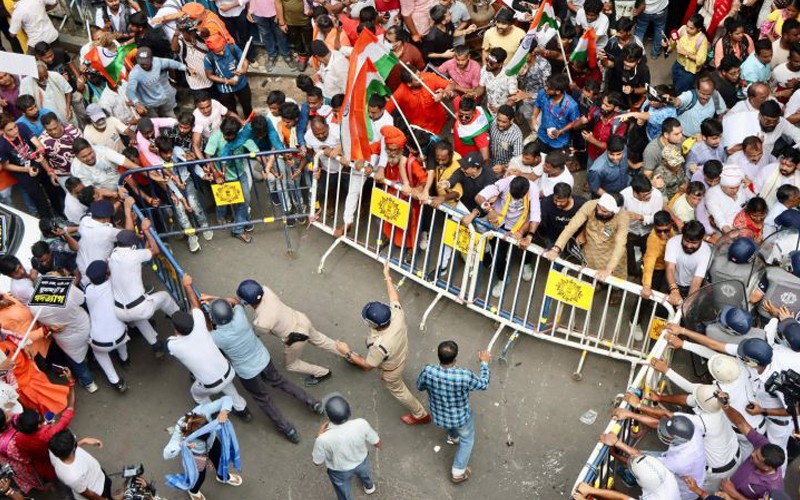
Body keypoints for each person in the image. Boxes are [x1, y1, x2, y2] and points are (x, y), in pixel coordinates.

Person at [205, 296, 323, 444]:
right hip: (263, 359)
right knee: (281, 382)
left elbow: (204, 328)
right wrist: (213, 298)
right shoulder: (240, 316)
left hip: (247, 373)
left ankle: (288, 430)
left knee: (264, 400)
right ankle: (313, 403)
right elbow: (234, 300)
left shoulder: (216, 337)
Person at [335, 262, 432, 425]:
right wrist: (387, 276)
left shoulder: (379, 346)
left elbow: (368, 366)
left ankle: (420, 414)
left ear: (374, 325)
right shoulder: (396, 315)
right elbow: (394, 298)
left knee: (399, 390)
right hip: (401, 352)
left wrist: (347, 352)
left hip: (391, 369)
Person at [168, 274, 252, 422]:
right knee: (227, 384)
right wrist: (188, 286)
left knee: (197, 393)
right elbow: (195, 306)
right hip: (229, 371)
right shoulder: (200, 324)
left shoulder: (173, 345)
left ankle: (211, 412)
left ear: (177, 330)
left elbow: (174, 340)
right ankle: (242, 410)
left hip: (210, 385)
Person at [237, 278, 341, 386]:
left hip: (295, 337)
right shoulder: (266, 290)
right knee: (321, 340)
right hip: (301, 319)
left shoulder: (261, 322)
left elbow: (256, 334)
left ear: (246, 302)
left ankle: (322, 373)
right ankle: (348, 354)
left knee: (291, 365)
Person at [416, 341, 490, 484]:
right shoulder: (464, 375)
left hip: (439, 415)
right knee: (467, 441)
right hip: (460, 418)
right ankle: (458, 472)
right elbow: (483, 384)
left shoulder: (428, 371)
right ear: (455, 359)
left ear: (438, 356)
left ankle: (453, 437)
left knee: (451, 420)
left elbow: (419, 386)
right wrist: (484, 363)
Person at [110, 222, 179, 357]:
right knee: (164, 296)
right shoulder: (133, 256)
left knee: (138, 317)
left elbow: (142, 254)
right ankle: (179, 318)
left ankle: (155, 345)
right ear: (133, 246)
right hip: (139, 308)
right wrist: (147, 231)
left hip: (120, 311)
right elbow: (155, 250)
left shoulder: (113, 256)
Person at [163, 395, 243, 500]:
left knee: (220, 461)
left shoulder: (203, 410)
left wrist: (224, 411)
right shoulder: (180, 429)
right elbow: (166, 453)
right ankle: (193, 491)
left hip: (213, 443)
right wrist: (181, 445)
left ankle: (222, 476)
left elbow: (227, 399)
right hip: (196, 455)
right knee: (199, 477)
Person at [545, 193, 629, 289]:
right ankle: (598, 284)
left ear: (614, 212)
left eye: (604, 211)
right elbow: (571, 227)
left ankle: (616, 291)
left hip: (611, 253)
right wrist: (556, 248)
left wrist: (608, 269)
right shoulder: (591, 205)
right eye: (599, 208)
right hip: (590, 250)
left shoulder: (623, 217)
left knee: (616, 279)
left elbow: (620, 244)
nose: (600, 211)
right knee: (591, 273)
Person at [312, 395, 381, 500]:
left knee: (342, 490)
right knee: (365, 473)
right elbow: (377, 442)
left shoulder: (323, 439)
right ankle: (369, 487)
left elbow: (317, 462)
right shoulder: (361, 423)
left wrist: (319, 435)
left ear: (329, 418)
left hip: (339, 470)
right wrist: (379, 445)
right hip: (361, 461)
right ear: (349, 411)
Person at [0, 113, 62, 218]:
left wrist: (40, 150)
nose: (16, 130)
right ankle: (50, 222)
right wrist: (27, 169)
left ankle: (61, 213)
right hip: (23, 173)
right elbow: (6, 166)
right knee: (40, 201)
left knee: (53, 190)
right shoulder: (1, 144)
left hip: (37, 162)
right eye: (10, 130)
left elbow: (36, 143)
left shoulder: (22, 126)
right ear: (2, 131)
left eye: (14, 126)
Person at [14, 387, 75, 487]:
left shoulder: (18, 438)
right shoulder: (47, 434)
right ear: (38, 425)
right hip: (57, 459)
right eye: (40, 419)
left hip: (42, 465)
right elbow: (68, 413)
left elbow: (24, 454)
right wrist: (71, 385)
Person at [84, 260, 129, 393]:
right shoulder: (113, 284)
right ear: (107, 274)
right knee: (122, 334)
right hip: (121, 335)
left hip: (100, 342)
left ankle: (116, 381)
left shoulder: (88, 290)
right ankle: (125, 359)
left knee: (100, 354)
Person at [48, 430, 111, 500]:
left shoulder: (54, 450)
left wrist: (84, 441)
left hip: (97, 475)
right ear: (72, 449)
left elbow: (67, 448)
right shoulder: (73, 477)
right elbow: (90, 495)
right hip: (98, 489)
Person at [126, 47, 186, 118]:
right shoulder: (135, 73)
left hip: (162, 99)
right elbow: (130, 91)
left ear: (151, 59)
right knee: (155, 122)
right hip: (148, 104)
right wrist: (137, 103)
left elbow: (170, 63)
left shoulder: (157, 61)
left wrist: (186, 68)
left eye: (146, 62)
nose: (144, 65)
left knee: (171, 118)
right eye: (141, 63)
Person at [204, 34, 252, 118]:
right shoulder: (208, 58)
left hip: (241, 84)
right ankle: (237, 125)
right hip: (225, 89)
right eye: (218, 52)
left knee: (247, 106)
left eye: (223, 49)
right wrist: (227, 81)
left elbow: (244, 60)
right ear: (211, 50)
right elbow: (209, 75)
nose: (222, 52)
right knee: (231, 109)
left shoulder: (232, 48)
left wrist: (243, 70)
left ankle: (250, 122)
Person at [664, 220, 712, 304]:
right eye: (686, 241)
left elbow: (697, 281)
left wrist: (688, 303)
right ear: (682, 236)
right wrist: (674, 290)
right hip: (671, 282)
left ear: (701, 239)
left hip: (691, 287)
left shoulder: (706, 251)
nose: (689, 245)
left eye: (694, 243)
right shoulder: (672, 242)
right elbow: (670, 268)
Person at [532, 74, 581, 154]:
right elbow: (538, 104)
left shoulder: (572, 105)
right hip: (542, 136)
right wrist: (534, 117)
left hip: (559, 142)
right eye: (546, 86)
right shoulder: (543, 93)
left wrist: (560, 131)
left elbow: (574, 122)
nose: (545, 88)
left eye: (548, 88)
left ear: (558, 91)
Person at [671, 14, 710, 93]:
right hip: (678, 63)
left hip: (689, 71)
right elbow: (674, 42)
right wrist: (667, 44)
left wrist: (685, 53)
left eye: (691, 28)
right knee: (675, 83)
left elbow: (701, 59)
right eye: (687, 26)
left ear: (699, 28)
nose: (687, 29)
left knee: (680, 90)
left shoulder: (702, 40)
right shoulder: (683, 29)